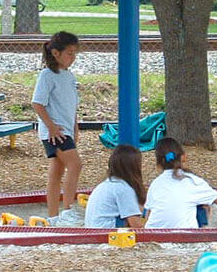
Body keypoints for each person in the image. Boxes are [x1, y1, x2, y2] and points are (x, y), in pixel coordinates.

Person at [31, 31, 83, 221]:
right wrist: (51, 126)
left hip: (65, 130)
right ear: (55, 53)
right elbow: (37, 103)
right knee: (76, 165)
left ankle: (53, 216)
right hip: (55, 132)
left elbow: (71, 105)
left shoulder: (68, 76)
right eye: (69, 53)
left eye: (74, 53)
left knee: (56, 172)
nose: (73, 57)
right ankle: (68, 209)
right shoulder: (47, 75)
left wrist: (75, 128)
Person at [144, 137, 217, 228]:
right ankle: (201, 229)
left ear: (158, 164)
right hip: (183, 233)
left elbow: (149, 213)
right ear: (184, 157)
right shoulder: (192, 181)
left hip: (154, 232)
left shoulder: (155, 184)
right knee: (205, 205)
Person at [83, 145, 146, 229]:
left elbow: (135, 208)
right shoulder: (124, 189)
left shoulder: (107, 184)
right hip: (106, 232)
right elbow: (136, 224)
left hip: (92, 228)